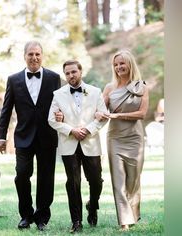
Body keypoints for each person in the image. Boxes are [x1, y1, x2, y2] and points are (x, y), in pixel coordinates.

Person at [0, 40, 61, 231]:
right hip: (23, 136)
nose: (34, 58)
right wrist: (1, 136)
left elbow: (60, 104)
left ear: (42, 56)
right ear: (24, 56)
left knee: (46, 178)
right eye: (30, 54)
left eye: (37, 54)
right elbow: (6, 110)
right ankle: (26, 215)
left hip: (47, 136)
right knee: (22, 174)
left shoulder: (53, 77)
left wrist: (63, 117)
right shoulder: (13, 79)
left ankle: (42, 217)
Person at [48, 60, 108, 233]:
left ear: (80, 72)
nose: (70, 76)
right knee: (73, 183)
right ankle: (76, 221)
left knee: (96, 181)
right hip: (69, 145)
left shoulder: (95, 92)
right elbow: (51, 119)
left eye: (73, 72)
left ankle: (93, 205)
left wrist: (88, 130)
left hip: (91, 143)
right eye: (67, 73)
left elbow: (103, 117)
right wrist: (71, 130)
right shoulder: (58, 94)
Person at [96, 49, 149, 231]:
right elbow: (101, 110)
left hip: (135, 138)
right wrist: (98, 113)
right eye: (116, 64)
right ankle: (124, 222)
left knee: (133, 180)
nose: (119, 67)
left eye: (122, 63)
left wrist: (117, 116)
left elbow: (142, 114)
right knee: (118, 181)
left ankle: (134, 214)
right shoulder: (109, 88)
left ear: (130, 64)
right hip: (115, 139)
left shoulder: (141, 86)